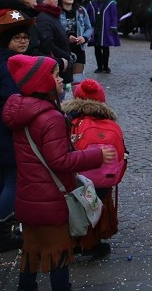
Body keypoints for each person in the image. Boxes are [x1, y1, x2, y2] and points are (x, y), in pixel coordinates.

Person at [3, 54, 115, 291]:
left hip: (28, 196)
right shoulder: (50, 117)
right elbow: (60, 161)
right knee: (58, 253)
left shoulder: (23, 111)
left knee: (32, 251)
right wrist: (97, 155)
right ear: (41, 83)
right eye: (54, 76)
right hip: (50, 198)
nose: (59, 80)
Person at [0, 9, 35, 254]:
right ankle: (2, 233)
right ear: (7, 42)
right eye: (17, 38)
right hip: (9, 131)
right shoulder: (12, 66)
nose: (23, 41)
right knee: (11, 179)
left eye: (25, 37)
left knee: (1, 178)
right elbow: (17, 102)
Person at [63, 78, 127, 260]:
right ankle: (92, 243)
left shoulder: (69, 121)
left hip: (76, 178)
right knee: (97, 204)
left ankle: (74, 241)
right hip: (104, 180)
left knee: (75, 205)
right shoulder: (111, 124)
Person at [32, 0, 74, 86]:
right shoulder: (44, 18)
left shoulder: (52, 15)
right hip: (56, 68)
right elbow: (47, 43)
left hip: (61, 67)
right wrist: (64, 56)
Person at [59, 0, 92, 82]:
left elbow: (89, 27)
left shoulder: (81, 10)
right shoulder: (58, 12)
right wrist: (66, 37)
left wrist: (84, 38)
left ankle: (76, 97)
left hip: (79, 48)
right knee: (63, 81)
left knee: (77, 81)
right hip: (63, 49)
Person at [87, 0, 119, 74]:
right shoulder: (91, 3)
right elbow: (86, 14)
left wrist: (113, 26)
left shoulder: (110, 4)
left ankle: (106, 66)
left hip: (106, 29)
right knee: (96, 48)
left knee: (105, 48)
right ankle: (99, 67)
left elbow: (114, 16)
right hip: (95, 29)